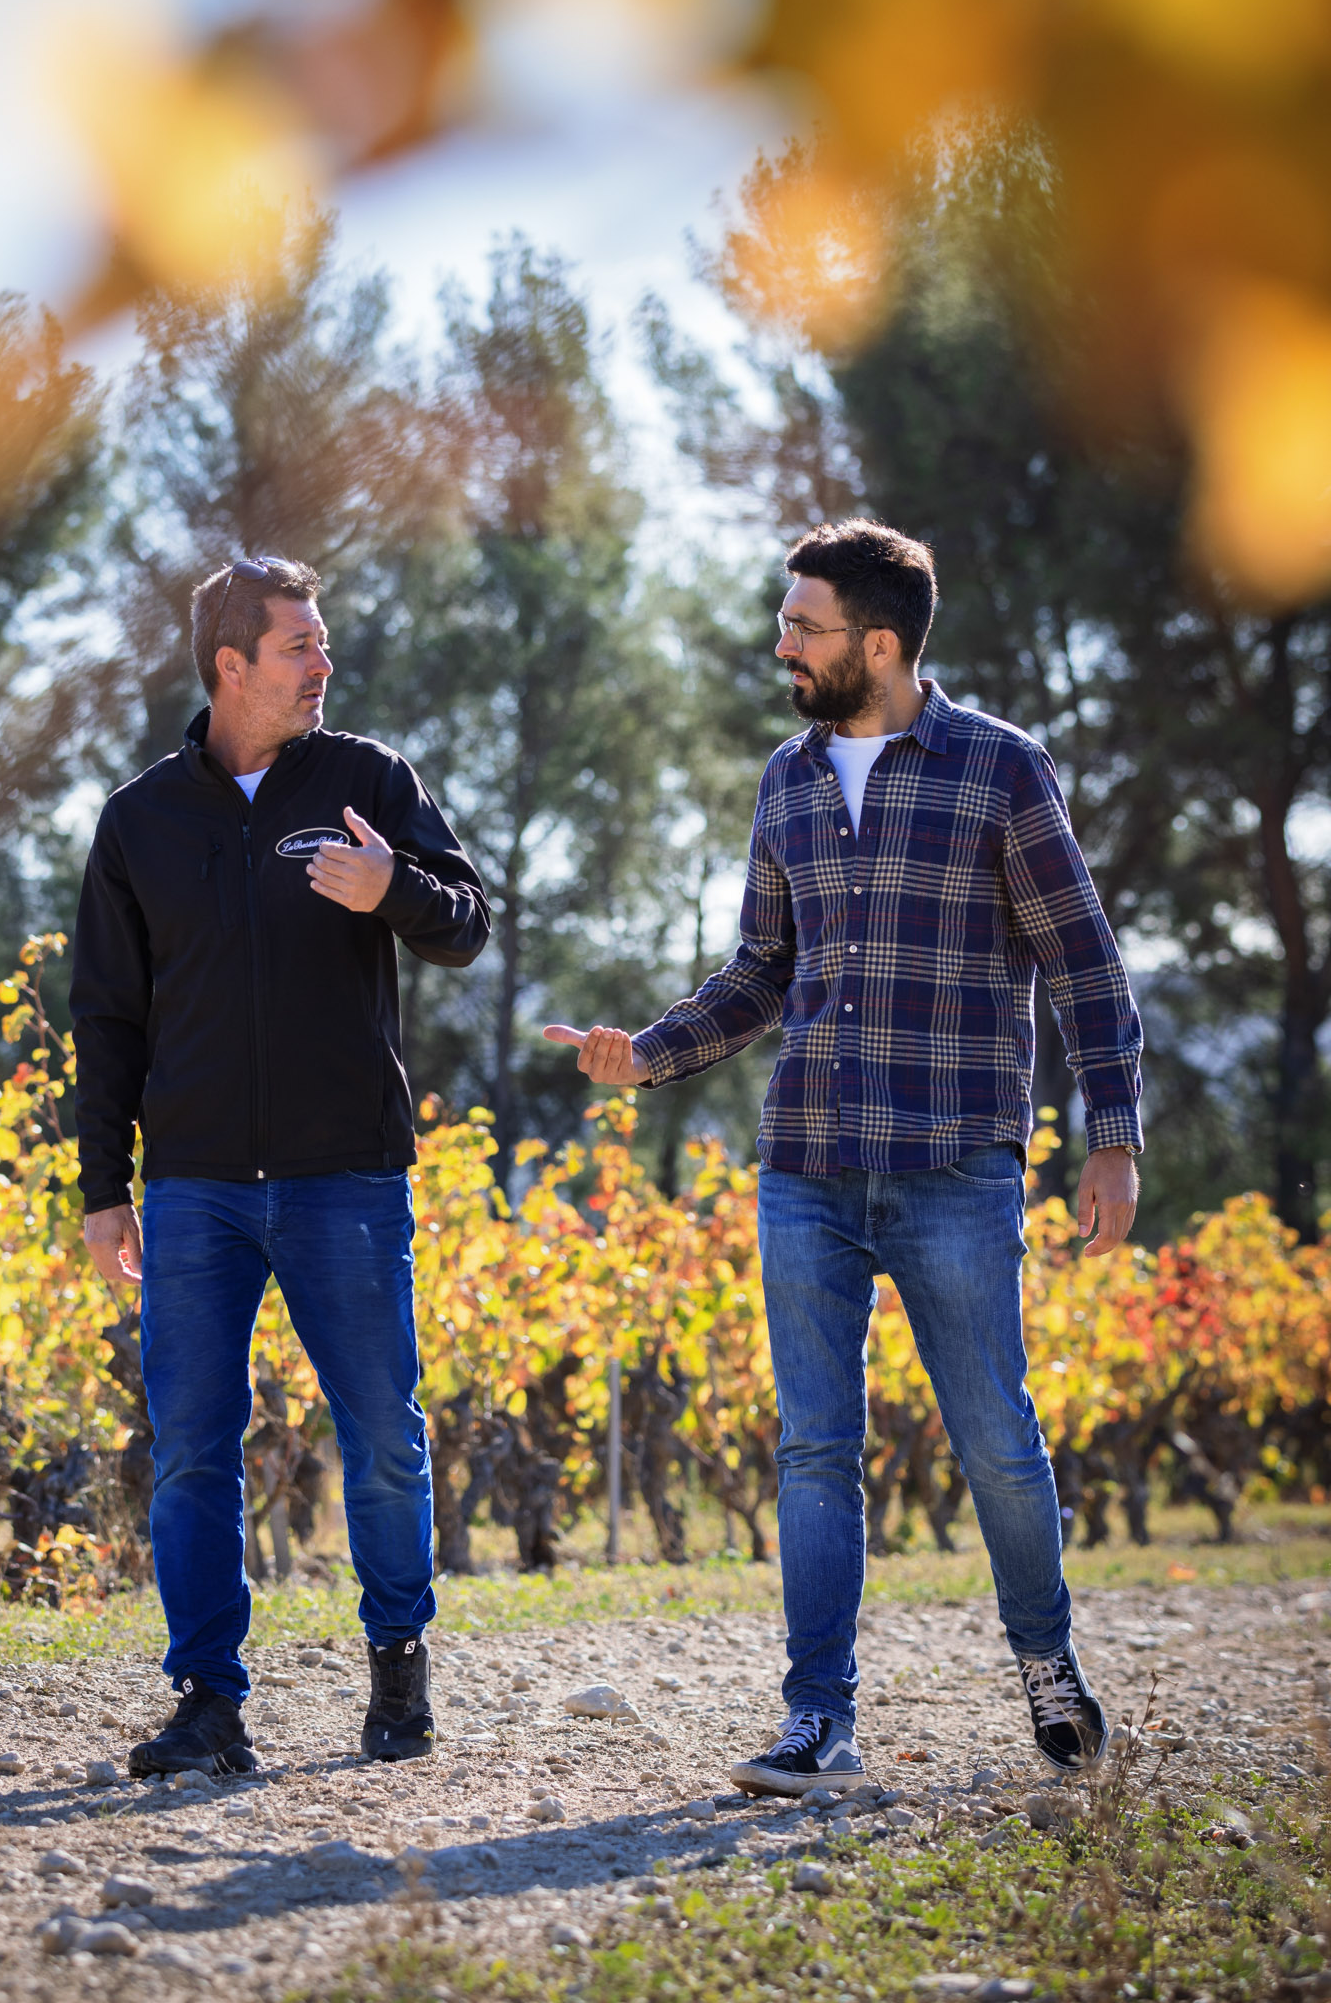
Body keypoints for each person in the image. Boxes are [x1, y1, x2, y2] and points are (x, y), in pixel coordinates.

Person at [546, 519, 1142, 1795]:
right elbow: (760, 970)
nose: (782, 644)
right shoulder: (788, 778)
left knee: (993, 1435)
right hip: (807, 1162)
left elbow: (1081, 963)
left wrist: (1111, 1136)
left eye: (801, 626)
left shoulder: (997, 769)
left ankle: (1044, 1663)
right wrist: (647, 1051)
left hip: (953, 1164)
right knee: (813, 1449)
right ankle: (817, 1715)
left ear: (878, 642)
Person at [72, 555, 490, 1776]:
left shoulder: (367, 780)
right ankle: (207, 1700)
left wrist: (389, 886)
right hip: (194, 1184)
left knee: (383, 1433)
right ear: (231, 664)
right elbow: (106, 1014)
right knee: (193, 1443)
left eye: (322, 642)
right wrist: (106, 1189)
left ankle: (396, 1677)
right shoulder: (140, 818)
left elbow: (467, 921)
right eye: (299, 645)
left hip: (344, 1176)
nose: (323, 664)